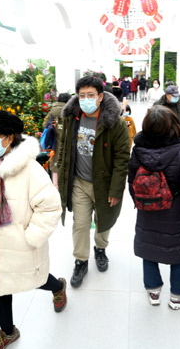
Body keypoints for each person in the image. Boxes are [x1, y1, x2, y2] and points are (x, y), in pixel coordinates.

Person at [0, 110, 67, 349]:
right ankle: (8, 332)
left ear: (9, 138)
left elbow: (51, 206)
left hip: (21, 244)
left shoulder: (31, 170)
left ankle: (58, 287)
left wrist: (31, 237)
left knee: (38, 279)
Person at [128, 106, 180, 309]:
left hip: (146, 209)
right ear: (173, 126)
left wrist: (140, 201)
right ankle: (178, 295)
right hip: (174, 210)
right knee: (178, 252)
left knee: (148, 248)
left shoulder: (138, 150)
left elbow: (131, 180)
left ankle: (153, 291)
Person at [55, 76, 131, 288]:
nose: (86, 99)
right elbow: (64, 147)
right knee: (80, 224)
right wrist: (59, 177)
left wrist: (116, 190)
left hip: (103, 184)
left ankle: (100, 248)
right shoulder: (73, 118)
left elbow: (123, 158)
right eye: (81, 96)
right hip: (79, 181)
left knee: (103, 220)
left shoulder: (114, 123)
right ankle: (81, 260)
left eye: (91, 95)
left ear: (100, 97)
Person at [43, 93, 72, 179]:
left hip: (54, 144)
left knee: (55, 169)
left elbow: (45, 125)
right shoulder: (70, 111)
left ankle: (56, 187)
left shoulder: (52, 111)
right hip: (67, 144)